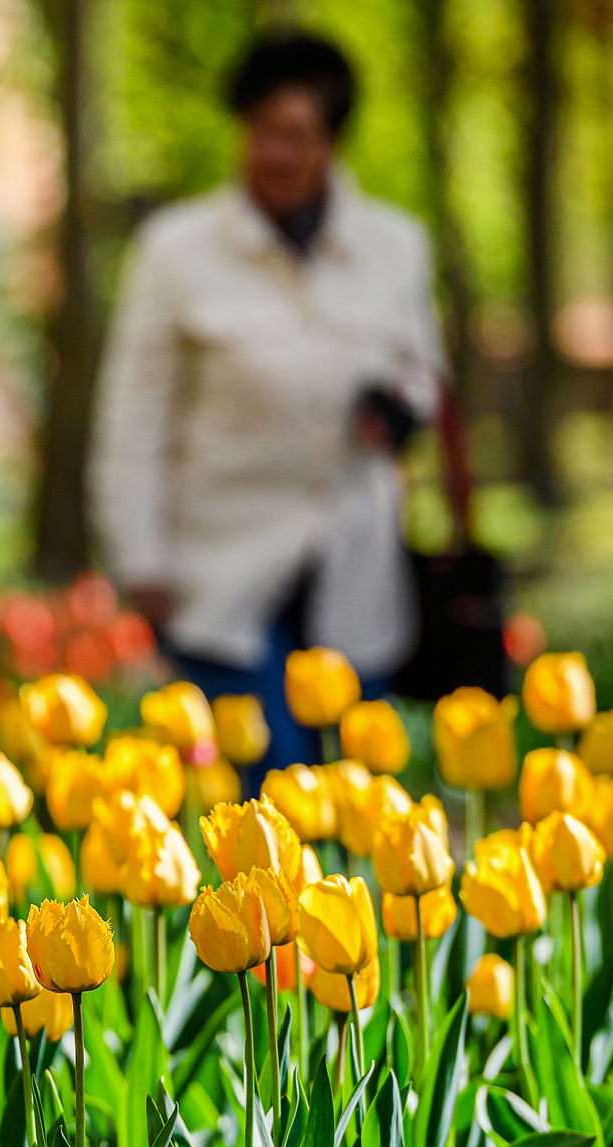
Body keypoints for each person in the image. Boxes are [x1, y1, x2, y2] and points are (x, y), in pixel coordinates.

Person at [92, 33, 442, 774]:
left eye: (294, 136)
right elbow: (134, 416)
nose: (272, 154)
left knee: (356, 815)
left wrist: (405, 406)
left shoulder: (396, 246)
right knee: (265, 805)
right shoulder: (174, 251)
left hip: (354, 571)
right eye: (259, 132)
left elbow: (424, 370)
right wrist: (140, 558)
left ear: (333, 142)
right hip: (219, 574)